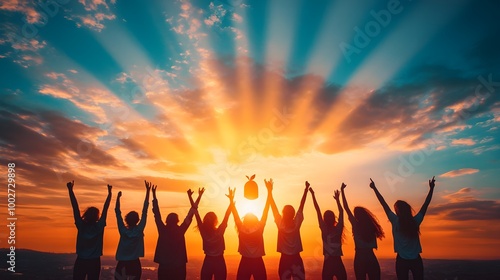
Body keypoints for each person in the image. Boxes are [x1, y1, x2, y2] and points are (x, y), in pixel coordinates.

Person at [370, 177, 436, 280]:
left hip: (402, 260)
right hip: (416, 259)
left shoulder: (395, 221)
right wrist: (431, 189)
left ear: (398, 211)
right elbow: (425, 204)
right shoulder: (415, 221)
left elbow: (383, 203)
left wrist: (374, 188)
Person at [152, 184, 199, 280]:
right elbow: (190, 214)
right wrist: (193, 198)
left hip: (165, 266)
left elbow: (156, 214)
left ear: (167, 220)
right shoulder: (181, 230)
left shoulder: (163, 229)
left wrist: (154, 196)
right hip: (179, 266)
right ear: (177, 220)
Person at [67, 180, 112, 280]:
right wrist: (109, 194)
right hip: (94, 261)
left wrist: (70, 190)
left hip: (81, 260)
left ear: (86, 215)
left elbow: (75, 207)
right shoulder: (99, 226)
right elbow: (105, 209)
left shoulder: (81, 225)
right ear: (97, 216)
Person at [341, 182, 384, 280]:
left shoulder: (356, 225)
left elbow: (346, 208)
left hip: (360, 257)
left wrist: (342, 191)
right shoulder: (371, 226)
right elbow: (347, 208)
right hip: (371, 256)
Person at [267, 179, 308, 280]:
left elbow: (273, 206)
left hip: (285, 259)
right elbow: (301, 205)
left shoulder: (280, 223)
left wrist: (269, 192)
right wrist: (306, 190)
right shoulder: (296, 223)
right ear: (293, 214)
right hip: (295, 258)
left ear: (283, 213)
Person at [190, 187, 234, 280]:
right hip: (219, 261)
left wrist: (196, 197)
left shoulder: (203, 231)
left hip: (208, 261)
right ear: (215, 220)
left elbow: (195, 212)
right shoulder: (220, 231)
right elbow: (227, 215)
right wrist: (231, 201)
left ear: (205, 220)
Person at [114, 180, 152, 280]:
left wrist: (117, 198)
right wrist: (148, 192)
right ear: (138, 220)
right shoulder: (139, 230)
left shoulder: (123, 230)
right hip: (134, 263)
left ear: (126, 219)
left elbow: (117, 212)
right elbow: (145, 210)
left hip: (122, 264)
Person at [232, 187, 271, 280]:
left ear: (245, 221)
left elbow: (235, 215)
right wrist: (269, 192)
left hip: (245, 261)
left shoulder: (241, 229)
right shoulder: (259, 228)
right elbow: (266, 211)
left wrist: (231, 202)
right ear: (255, 220)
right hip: (258, 261)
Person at [310, 186, 346, 280]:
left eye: (331, 216)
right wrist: (313, 195)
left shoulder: (338, 229)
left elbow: (341, 212)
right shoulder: (324, 228)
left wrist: (338, 200)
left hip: (337, 260)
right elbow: (317, 210)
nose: (329, 218)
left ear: (333, 218)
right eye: (327, 216)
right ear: (325, 219)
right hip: (328, 261)